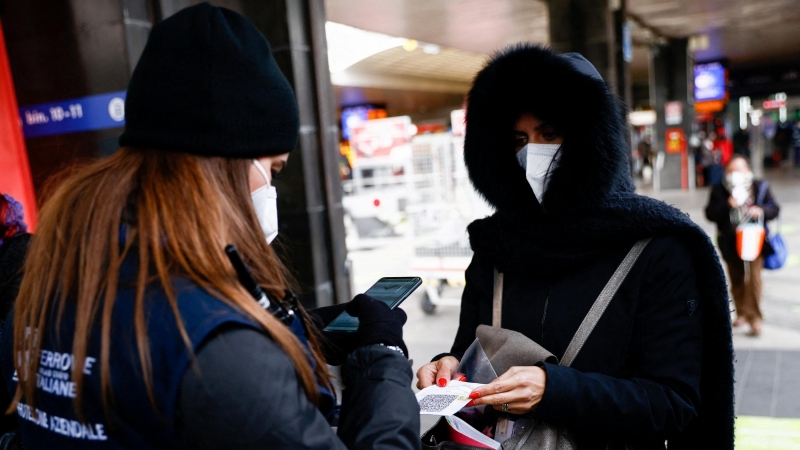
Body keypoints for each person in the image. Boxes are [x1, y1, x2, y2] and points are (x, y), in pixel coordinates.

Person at [0, 4, 419, 449]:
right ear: (232, 165)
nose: (272, 189)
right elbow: (213, 367)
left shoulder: (46, 285)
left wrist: (299, 328)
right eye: (273, 170)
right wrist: (383, 362)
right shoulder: (216, 348)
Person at [415, 45, 734, 449]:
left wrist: (555, 391)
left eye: (549, 133)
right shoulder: (494, 248)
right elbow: (472, 353)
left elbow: (673, 402)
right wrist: (449, 369)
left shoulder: (656, 247)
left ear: (590, 136)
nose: (533, 152)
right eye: (518, 139)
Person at [705, 155, 779, 336]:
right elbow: (710, 213)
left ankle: (755, 318)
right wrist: (727, 205)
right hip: (731, 240)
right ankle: (742, 313)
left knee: (754, 278)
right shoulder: (720, 189)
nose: (735, 174)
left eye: (739, 170)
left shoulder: (760, 186)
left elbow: (774, 208)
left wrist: (760, 211)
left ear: (748, 171)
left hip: (754, 239)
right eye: (731, 171)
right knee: (736, 278)